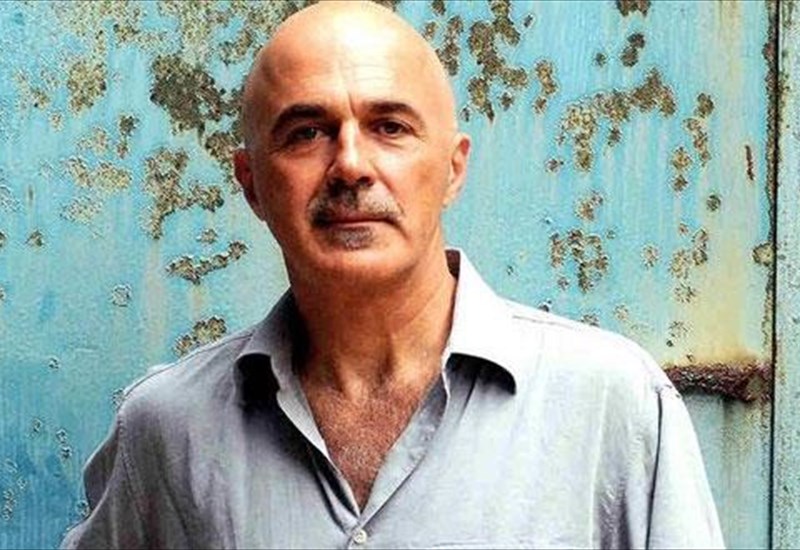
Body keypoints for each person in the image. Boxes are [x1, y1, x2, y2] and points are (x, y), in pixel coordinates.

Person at [62, 2, 724, 548]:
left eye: (390, 127)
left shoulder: (609, 403)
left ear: (453, 169)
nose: (350, 165)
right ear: (252, 184)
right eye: (306, 132)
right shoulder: (166, 428)